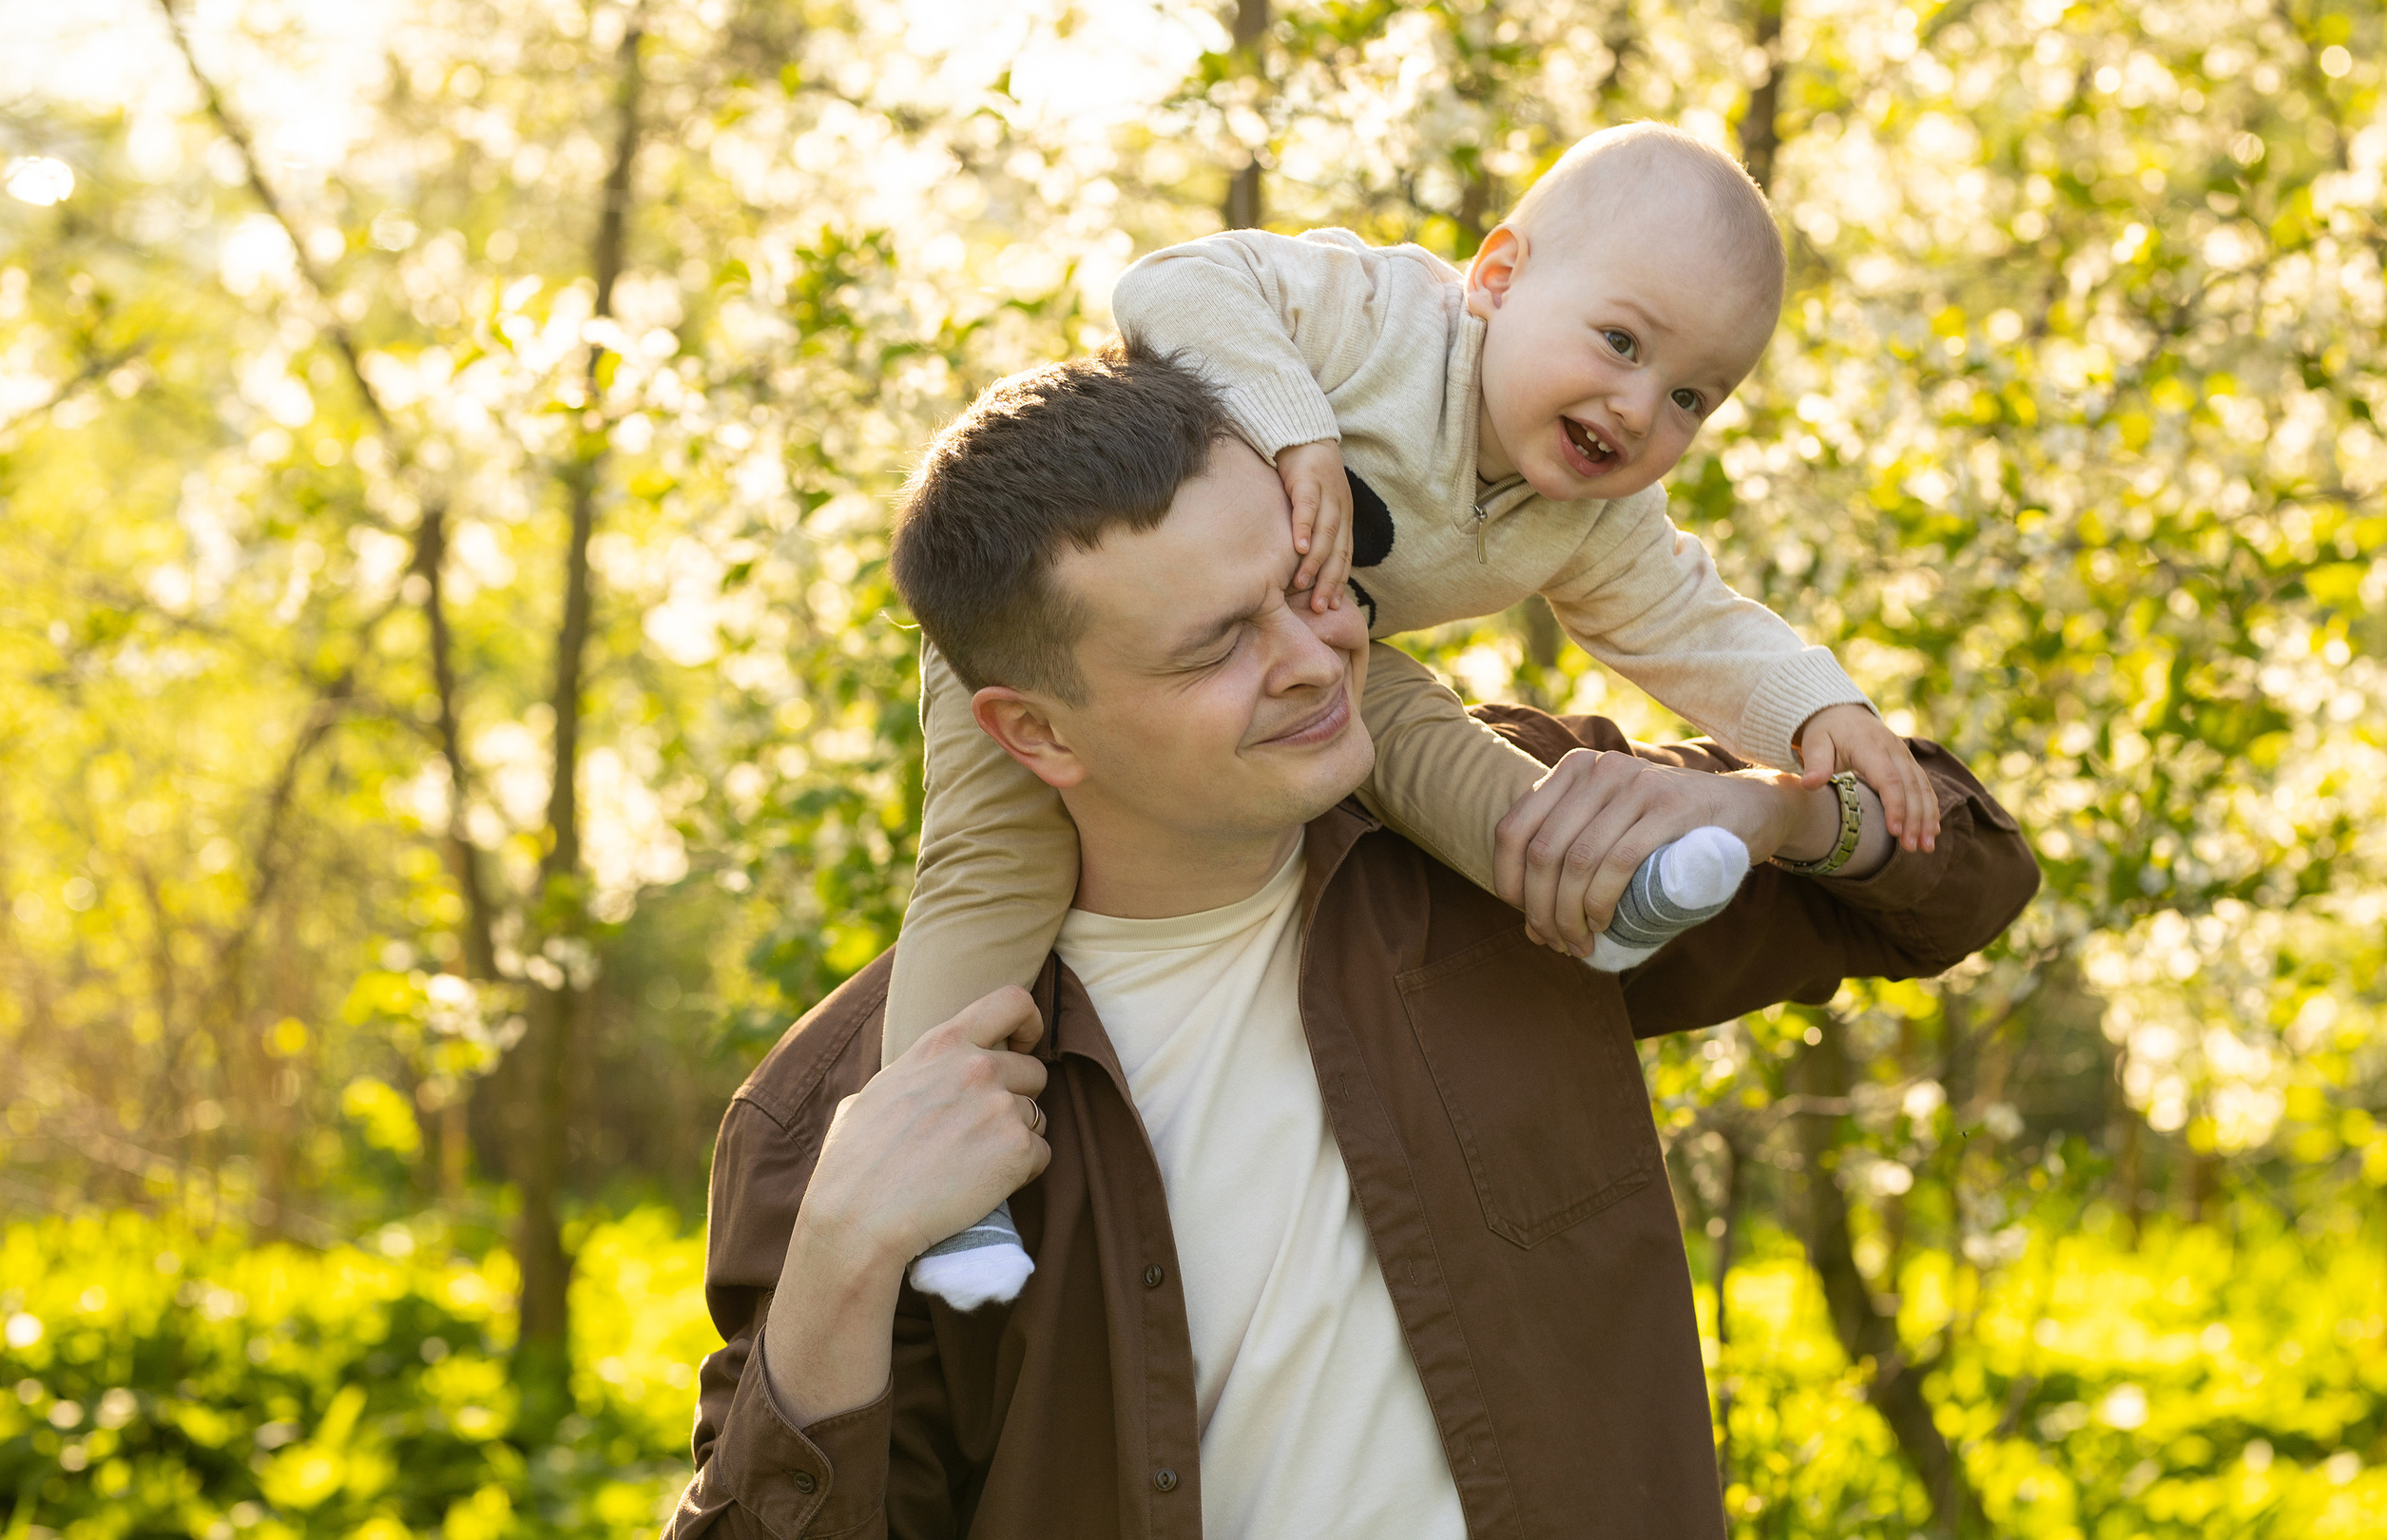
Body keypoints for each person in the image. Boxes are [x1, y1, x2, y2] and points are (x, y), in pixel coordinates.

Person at [659, 344, 2038, 1539]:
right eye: (1217, 647)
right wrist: (840, 1258)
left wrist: (1768, 813)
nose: (1316, 660)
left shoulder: (1507, 857)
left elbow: (1969, 872)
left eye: (1306, 583)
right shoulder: (844, 1116)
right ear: (1033, 730)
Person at [889, 123, 1939, 1287]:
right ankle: (941, 1188)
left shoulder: (1589, 515)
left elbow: (1691, 623)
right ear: (1497, 277)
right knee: (994, 868)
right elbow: (1172, 281)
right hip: (1072, 606)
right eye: (1619, 340)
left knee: (1441, 754)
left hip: (1319, 643)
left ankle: (1612, 888)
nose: (1639, 407)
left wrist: (1813, 715)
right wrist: (1298, 427)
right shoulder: (1387, 321)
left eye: (1692, 393)